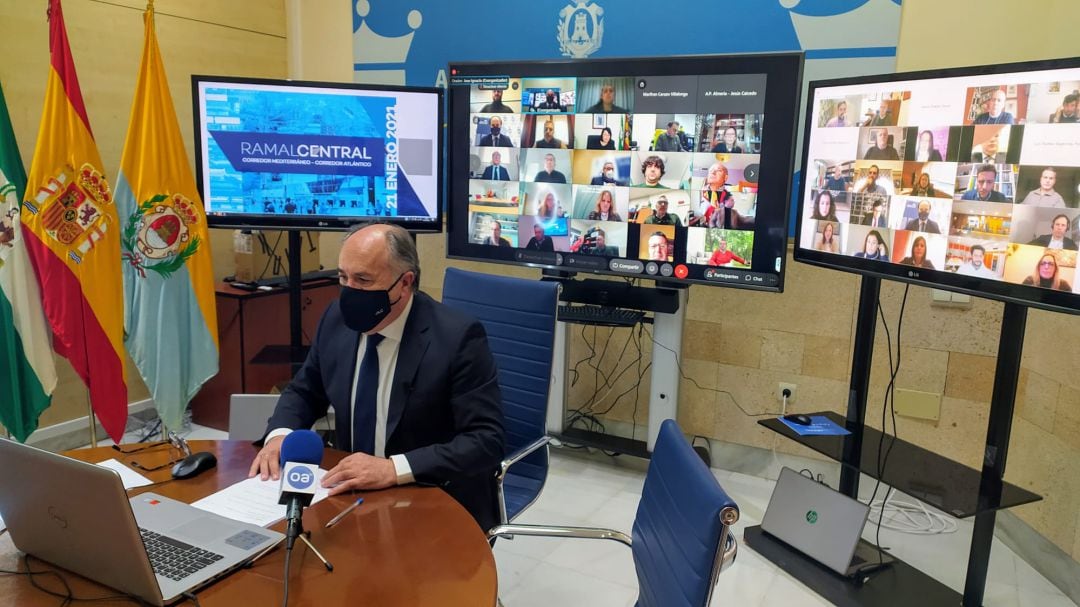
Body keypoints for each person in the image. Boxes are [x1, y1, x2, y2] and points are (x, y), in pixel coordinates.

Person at [249, 224, 505, 531]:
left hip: (431, 497)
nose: (349, 291)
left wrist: (393, 469)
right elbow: (305, 390)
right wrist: (280, 436)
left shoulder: (457, 338)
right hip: (352, 495)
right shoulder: (335, 319)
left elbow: (485, 440)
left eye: (363, 280)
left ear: (405, 283)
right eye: (343, 277)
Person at [699, 162, 753, 229]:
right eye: (711, 171)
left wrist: (729, 204)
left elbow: (730, 203)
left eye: (718, 170)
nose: (713, 172)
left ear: (725, 177)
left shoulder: (727, 191)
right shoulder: (703, 192)